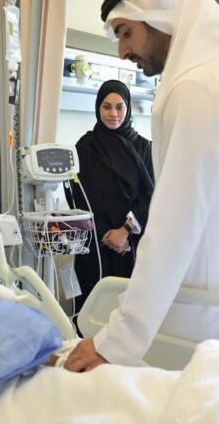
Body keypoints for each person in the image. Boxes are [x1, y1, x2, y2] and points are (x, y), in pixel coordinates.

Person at [65, 0, 219, 372]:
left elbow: (173, 222)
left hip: (203, 307)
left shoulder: (196, 88)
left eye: (126, 32)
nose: (122, 50)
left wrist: (116, 339)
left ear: (160, 15)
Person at [66, 79, 154, 319]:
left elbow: (151, 195)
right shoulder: (84, 147)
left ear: (127, 109)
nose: (113, 113)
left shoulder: (145, 149)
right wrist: (107, 234)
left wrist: (125, 231)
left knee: (128, 312)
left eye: (119, 107)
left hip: (131, 245)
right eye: (106, 106)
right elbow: (78, 197)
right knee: (90, 311)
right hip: (94, 243)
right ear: (97, 108)